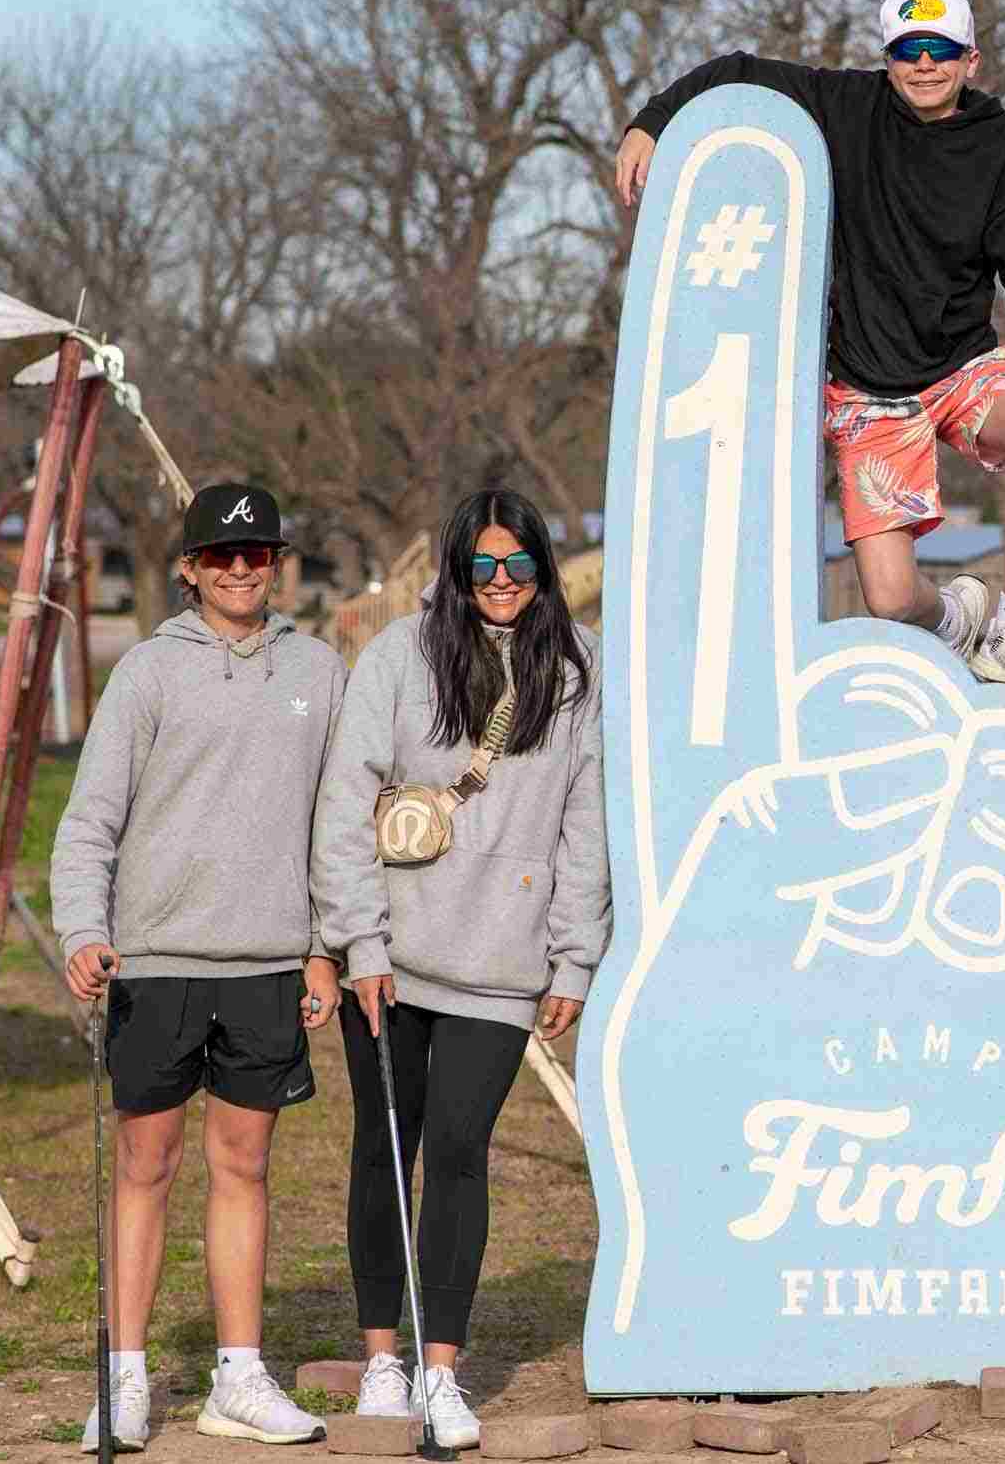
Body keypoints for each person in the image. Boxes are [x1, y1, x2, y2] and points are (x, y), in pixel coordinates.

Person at [615, 0, 1005, 700]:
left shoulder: (997, 146)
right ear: (888, 58)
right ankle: (962, 617)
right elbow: (738, 69)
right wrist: (651, 121)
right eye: (908, 51)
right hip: (870, 386)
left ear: (972, 59)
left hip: (964, 367)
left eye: (942, 52)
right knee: (892, 600)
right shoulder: (846, 106)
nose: (925, 65)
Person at [52, 483, 347, 1453]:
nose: (239, 570)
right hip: (157, 960)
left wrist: (325, 949)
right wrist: (81, 930)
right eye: (220, 556)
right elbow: (90, 821)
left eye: (256, 554)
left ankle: (239, 1376)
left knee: (244, 1166)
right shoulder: (147, 673)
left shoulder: (319, 671)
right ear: (188, 568)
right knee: (147, 1162)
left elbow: (335, 826)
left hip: (267, 962)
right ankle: (126, 1378)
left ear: (278, 563)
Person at [311, 489, 606, 1450]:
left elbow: (585, 823)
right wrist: (356, 942)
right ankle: (382, 1359)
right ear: (455, 568)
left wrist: (572, 955)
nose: (502, 584)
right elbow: (344, 801)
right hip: (389, 958)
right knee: (381, 1149)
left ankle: (444, 1369)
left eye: (519, 565)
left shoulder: (574, 671)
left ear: (543, 570)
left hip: (503, 959)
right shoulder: (399, 655)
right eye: (483, 567)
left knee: (460, 1149)